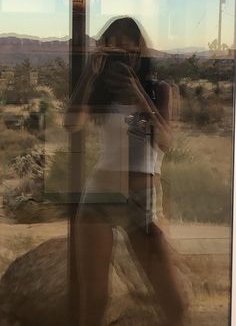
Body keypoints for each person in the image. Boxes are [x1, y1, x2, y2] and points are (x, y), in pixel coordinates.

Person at [64, 17, 187, 326]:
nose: (122, 54)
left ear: (139, 52)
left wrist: (138, 94)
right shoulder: (100, 93)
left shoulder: (160, 90)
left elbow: (166, 142)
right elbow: (71, 124)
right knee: (93, 299)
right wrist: (89, 78)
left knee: (174, 304)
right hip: (100, 196)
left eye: (128, 47)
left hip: (140, 203)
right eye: (113, 48)